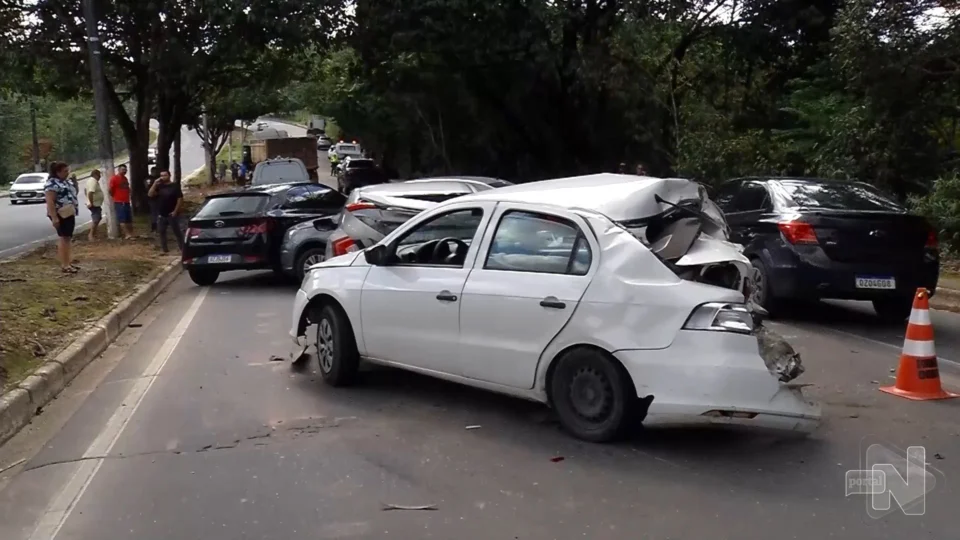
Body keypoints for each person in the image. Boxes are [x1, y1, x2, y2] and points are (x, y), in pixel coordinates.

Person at [44, 162, 79, 273]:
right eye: (64, 171)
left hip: (69, 212)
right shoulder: (52, 184)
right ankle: (65, 264)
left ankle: (68, 261)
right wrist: (54, 217)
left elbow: (73, 194)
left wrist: (75, 183)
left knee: (68, 238)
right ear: (57, 172)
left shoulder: (66, 181)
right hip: (60, 213)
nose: (67, 173)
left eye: (67, 170)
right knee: (64, 238)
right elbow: (50, 201)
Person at [148, 170, 184, 254]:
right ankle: (164, 250)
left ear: (169, 176)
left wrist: (175, 211)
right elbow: (150, 194)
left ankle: (182, 249)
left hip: (172, 213)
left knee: (177, 232)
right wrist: (154, 184)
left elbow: (180, 199)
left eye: (165, 175)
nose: (163, 177)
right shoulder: (159, 186)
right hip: (161, 213)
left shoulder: (174, 186)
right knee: (162, 232)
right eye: (161, 175)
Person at [108, 164, 134, 239]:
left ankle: (131, 233)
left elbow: (128, 188)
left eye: (125, 170)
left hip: (126, 201)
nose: (124, 171)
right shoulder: (114, 179)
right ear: (118, 170)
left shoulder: (125, 179)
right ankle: (127, 234)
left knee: (129, 219)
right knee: (122, 219)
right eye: (122, 169)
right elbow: (110, 190)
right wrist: (115, 196)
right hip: (119, 202)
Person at [86, 169, 104, 241]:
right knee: (96, 219)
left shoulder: (91, 181)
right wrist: (91, 202)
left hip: (96, 203)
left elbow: (85, 190)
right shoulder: (93, 181)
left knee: (98, 217)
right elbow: (90, 192)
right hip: (94, 204)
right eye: (99, 175)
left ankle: (93, 234)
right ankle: (91, 235)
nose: (100, 177)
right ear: (95, 175)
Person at [145, 166, 160, 233]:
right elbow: (147, 187)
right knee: (154, 213)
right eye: (154, 171)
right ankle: (154, 227)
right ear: (151, 171)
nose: (155, 172)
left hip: (160, 198)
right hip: (152, 198)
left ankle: (159, 226)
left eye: (156, 171)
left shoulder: (159, 178)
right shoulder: (149, 179)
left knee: (159, 213)